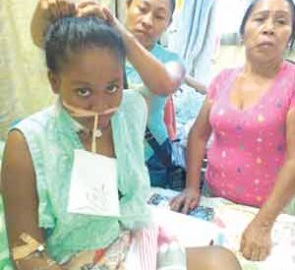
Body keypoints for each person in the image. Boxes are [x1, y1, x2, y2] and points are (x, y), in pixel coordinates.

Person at [1, 16, 241, 270]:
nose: (102, 107)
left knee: (222, 262)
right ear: (54, 81)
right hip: (72, 262)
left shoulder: (129, 110)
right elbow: (27, 254)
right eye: (84, 91)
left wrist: (121, 34)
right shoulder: (27, 144)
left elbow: (165, 84)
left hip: (130, 240)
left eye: (112, 87)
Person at [30, 0, 205, 188]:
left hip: (150, 158)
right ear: (128, 5)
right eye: (142, 8)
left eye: (159, 16)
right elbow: (51, 46)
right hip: (101, 151)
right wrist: (45, 12)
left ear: (168, 23)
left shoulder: (172, 60)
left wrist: (117, 28)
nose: (148, 21)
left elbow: (165, 84)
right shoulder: (103, 50)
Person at [171, 0, 295, 262]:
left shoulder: (292, 84)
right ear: (243, 32)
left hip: (270, 211)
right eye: (260, 19)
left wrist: (264, 223)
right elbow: (198, 135)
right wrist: (193, 186)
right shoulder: (222, 79)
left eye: (282, 22)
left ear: (290, 37)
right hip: (214, 197)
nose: (269, 28)